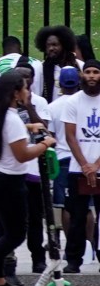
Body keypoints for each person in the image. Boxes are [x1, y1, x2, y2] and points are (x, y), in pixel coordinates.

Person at [0, 66, 49, 286]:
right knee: (15, 234)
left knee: (4, 231)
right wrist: (45, 144)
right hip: (9, 182)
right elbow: (22, 154)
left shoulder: (2, 113)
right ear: (16, 93)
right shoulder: (12, 119)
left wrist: (29, 126)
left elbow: (10, 133)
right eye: (25, 88)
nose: (28, 91)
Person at [51, 58, 100, 273]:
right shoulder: (73, 102)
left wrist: (96, 165)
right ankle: (73, 260)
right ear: (82, 76)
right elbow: (70, 136)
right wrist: (85, 165)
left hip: (98, 167)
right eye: (87, 72)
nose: (91, 76)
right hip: (76, 168)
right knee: (77, 216)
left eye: (95, 72)